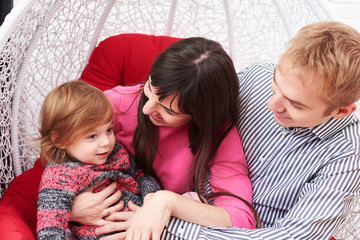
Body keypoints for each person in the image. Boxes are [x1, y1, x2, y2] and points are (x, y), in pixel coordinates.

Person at [155, 21, 360, 239]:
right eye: (276, 82)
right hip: (170, 196)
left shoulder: (349, 154)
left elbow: (292, 236)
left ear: (341, 111)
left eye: (295, 105)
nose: (272, 105)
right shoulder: (255, 77)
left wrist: (168, 224)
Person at [70, 37, 257, 239]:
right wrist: (71, 209)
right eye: (149, 89)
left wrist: (168, 203)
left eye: (168, 110)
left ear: (201, 115)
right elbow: (58, 150)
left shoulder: (220, 135)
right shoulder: (116, 104)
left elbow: (241, 219)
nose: (147, 108)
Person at [36, 81, 160, 240]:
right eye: (92, 136)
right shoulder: (59, 176)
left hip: (145, 224)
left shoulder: (114, 152)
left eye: (109, 130)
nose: (106, 142)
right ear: (61, 139)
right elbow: (49, 230)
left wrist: (152, 198)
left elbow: (140, 175)